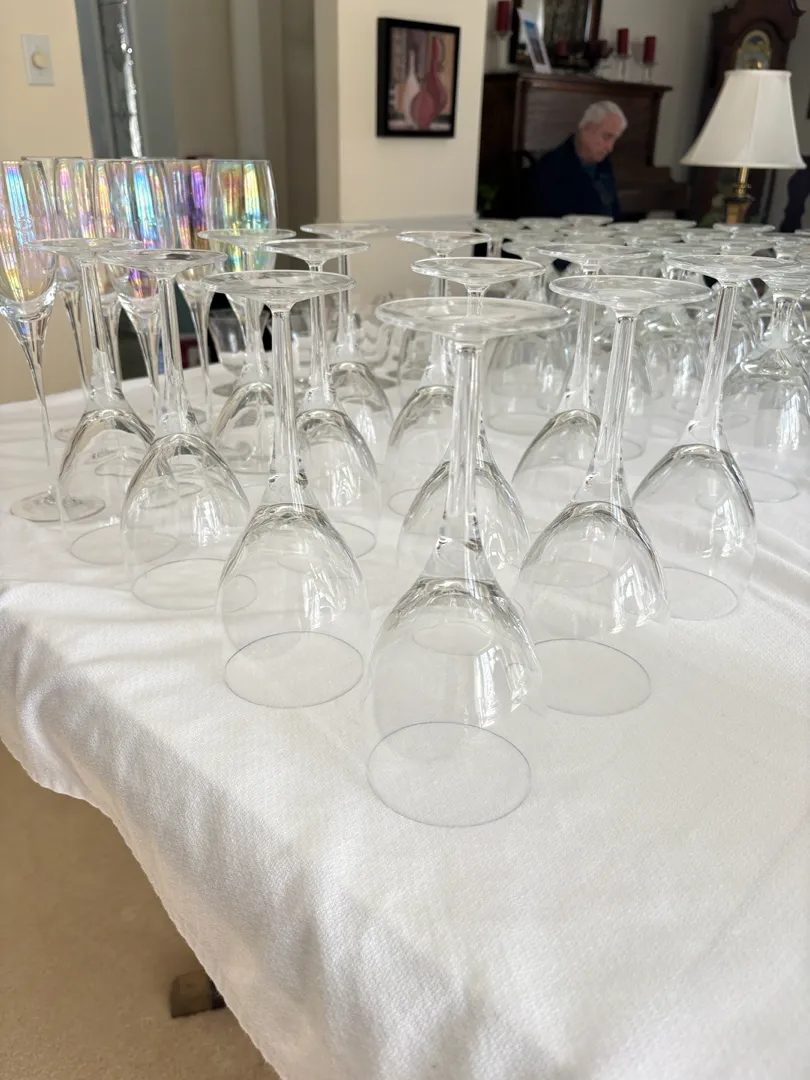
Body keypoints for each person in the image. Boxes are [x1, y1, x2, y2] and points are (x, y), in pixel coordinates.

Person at [526, 101, 627, 220]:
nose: (610, 148)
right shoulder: (551, 168)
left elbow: (615, 214)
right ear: (586, 128)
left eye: (614, 140)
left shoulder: (604, 165)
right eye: (606, 137)